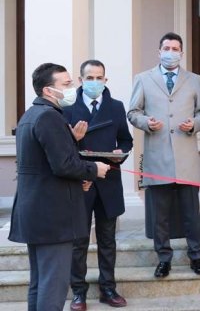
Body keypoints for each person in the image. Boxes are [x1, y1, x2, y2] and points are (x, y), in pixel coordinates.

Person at [9, 63, 111, 311]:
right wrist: (94, 169)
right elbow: (63, 165)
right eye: (66, 84)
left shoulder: (31, 115)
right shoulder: (49, 117)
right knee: (53, 286)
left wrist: (79, 179)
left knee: (40, 283)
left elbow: (44, 165)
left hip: (37, 213)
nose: (72, 88)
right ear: (48, 90)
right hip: (52, 217)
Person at [128, 32, 200, 278]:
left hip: (186, 156)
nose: (171, 52)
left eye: (175, 49)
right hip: (157, 155)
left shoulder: (194, 80)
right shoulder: (143, 79)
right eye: (167, 48)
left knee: (191, 213)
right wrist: (146, 122)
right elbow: (133, 112)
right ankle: (164, 258)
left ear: (181, 53)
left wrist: (194, 123)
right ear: (159, 51)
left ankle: (196, 256)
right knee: (160, 215)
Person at [65, 60, 133, 310]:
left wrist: (119, 153)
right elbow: (60, 145)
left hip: (108, 180)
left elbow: (126, 140)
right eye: (90, 77)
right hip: (80, 180)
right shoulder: (67, 107)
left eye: (99, 77)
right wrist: (75, 140)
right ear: (81, 80)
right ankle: (78, 292)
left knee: (107, 239)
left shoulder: (116, 107)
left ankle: (108, 288)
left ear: (105, 80)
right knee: (79, 240)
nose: (95, 82)